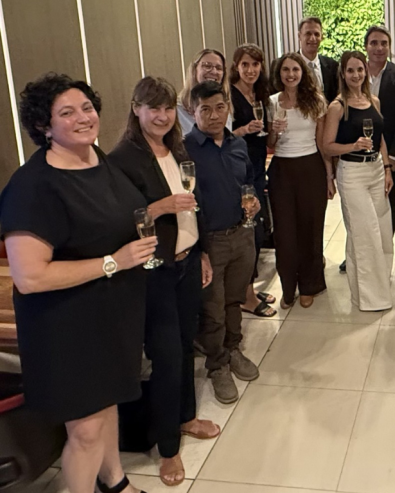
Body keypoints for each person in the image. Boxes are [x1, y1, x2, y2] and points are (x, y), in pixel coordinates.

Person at [0, 73, 156, 493]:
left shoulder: (96, 159)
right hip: (66, 325)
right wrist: (114, 262)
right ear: (44, 127)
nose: (83, 117)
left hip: (111, 312)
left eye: (87, 107)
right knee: (85, 431)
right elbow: (30, 277)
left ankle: (115, 482)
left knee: (108, 406)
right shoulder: (33, 187)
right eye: (67, 113)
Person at [109, 76, 221, 487]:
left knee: (186, 344)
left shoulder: (177, 148)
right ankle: (168, 448)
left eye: (168, 108)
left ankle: (186, 416)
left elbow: (195, 205)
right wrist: (160, 207)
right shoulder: (123, 159)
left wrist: (202, 251)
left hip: (187, 263)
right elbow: (118, 221)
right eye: (152, 108)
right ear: (136, 109)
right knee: (167, 356)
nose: (161, 116)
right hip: (154, 272)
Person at [185, 81, 262, 405]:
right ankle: (216, 364)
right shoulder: (185, 150)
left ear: (228, 108)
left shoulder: (237, 144)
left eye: (219, 108)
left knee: (234, 299)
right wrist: (199, 248)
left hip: (242, 234)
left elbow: (249, 180)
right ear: (193, 112)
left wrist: (254, 200)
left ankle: (233, 348)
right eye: (205, 109)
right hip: (211, 241)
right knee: (212, 308)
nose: (214, 115)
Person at [321, 51, 394, 311]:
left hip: (376, 170)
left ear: (366, 71)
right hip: (352, 173)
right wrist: (353, 145)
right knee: (365, 233)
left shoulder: (374, 101)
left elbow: (380, 139)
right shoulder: (337, 106)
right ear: (343, 73)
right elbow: (327, 146)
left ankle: (377, 286)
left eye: (360, 69)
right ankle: (370, 299)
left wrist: (387, 168)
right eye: (350, 70)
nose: (356, 75)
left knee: (382, 231)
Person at [266, 53, 330, 310]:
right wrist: (274, 131)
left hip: (311, 167)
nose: (290, 74)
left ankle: (309, 285)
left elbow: (322, 143)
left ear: (303, 73)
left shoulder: (316, 101)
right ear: (279, 74)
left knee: (311, 229)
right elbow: (270, 144)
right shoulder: (272, 102)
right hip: (282, 169)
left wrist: (329, 176)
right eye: (286, 70)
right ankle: (288, 287)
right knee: (285, 233)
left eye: (295, 69)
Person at [229, 43, 277, 318]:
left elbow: (268, 138)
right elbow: (222, 136)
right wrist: (244, 129)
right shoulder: (229, 96)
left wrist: (274, 131)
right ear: (236, 67)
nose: (250, 70)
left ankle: (247, 288)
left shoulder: (260, 95)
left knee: (257, 229)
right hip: (239, 172)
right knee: (248, 232)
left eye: (255, 64)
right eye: (245, 64)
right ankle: (244, 296)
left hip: (257, 169)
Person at [364, 26, 395, 238]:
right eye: (374, 43)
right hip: (358, 152)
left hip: (389, 155)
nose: (379, 48)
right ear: (366, 46)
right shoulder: (356, 73)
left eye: (384, 43)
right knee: (361, 206)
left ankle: (385, 248)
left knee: (386, 204)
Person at [178, 49, 231, 136]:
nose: (214, 72)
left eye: (219, 68)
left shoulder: (224, 104)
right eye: (207, 66)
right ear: (194, 70)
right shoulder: (177, 109)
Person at [297, 16, 339, 103]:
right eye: (308, 34)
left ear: (322, 37)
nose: (312, 38)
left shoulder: (333, 66)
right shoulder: (288, 66)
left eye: (316, 34)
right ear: (299, 36)